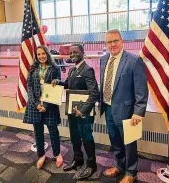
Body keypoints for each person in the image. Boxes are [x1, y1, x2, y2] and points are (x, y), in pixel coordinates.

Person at [100, 29, 148, 183]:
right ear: (106, 44)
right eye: (109, 42)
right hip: (108, 108)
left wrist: (138, 112)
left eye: (115, 41)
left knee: (129, 143)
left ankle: (131, 172)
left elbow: (141, 89)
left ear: (122, 41)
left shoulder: (134, 60)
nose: (112, 44)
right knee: (115, 141)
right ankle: (120, 166)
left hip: (127, 111)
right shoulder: (104, 59)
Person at [52, 43, 99, 180]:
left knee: (87, 138)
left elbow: (94, 93)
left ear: (83, 53)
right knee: (74, 137)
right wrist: (58, 81)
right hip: (72, 110)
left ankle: (91, 164)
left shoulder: (88, 70)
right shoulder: (72, 70)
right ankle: (78, 159)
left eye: (75, 52)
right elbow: (68, 84)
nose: (72, 55)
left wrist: (83, 111)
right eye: (70, 53)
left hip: (83, 112)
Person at [23, 45, 63, 169]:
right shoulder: (33, 68)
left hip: (49, 106)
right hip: (35, 106)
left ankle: (57, 154)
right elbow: (29, 86)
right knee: (38, 132)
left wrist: (45, 105)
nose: (41, 56)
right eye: (38, 54)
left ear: (47, 54)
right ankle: (41, 155)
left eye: (43, 53)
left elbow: (56, 87)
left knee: (53, 132)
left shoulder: (55, 68)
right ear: (36, 56)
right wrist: (36, 103)